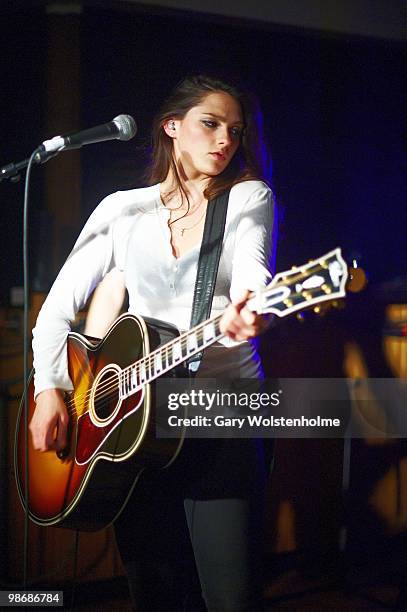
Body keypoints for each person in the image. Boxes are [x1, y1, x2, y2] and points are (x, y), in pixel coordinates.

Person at [30, 75, 277, 611]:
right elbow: (56, 309)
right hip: (134, 427)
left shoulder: (248, 196)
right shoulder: (122, 209)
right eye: (210, 124)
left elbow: (255, 274)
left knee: (231, 598)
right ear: (172, 127)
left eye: (235, 130)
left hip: (221, 412)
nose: (225, 140)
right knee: (156, 595)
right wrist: (49, 386)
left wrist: (251, 310)